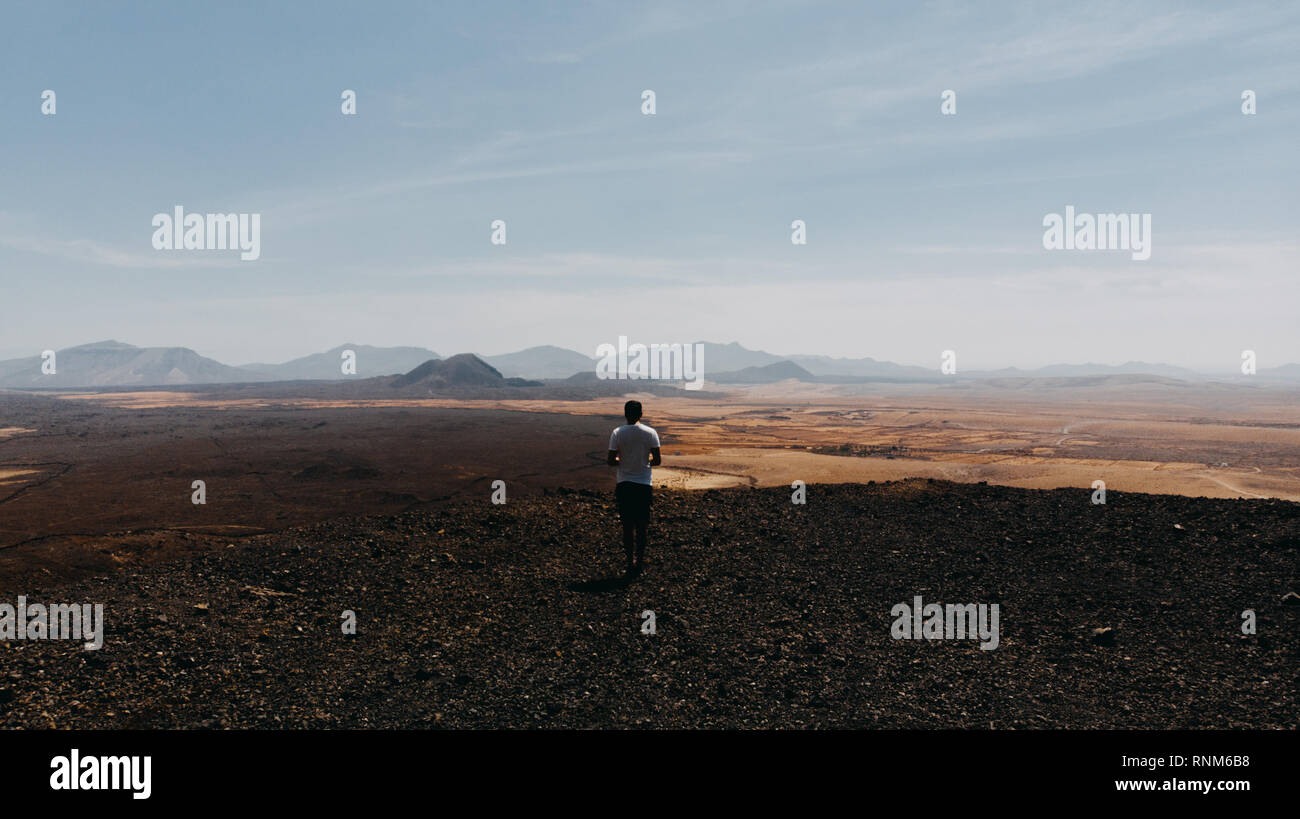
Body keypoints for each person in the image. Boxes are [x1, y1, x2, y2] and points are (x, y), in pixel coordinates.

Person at [607, 400, 661, 576]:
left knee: (627, 526)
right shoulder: (650, 432)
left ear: (625, 414)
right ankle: (640, 563)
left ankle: (630, 562)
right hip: (644, 484)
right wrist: (644, 462)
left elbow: (610, 460)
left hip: (624, 484)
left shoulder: (617, 433)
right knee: (642, 526)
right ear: (641, 414)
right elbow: (658, 460)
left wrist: (622, 461)